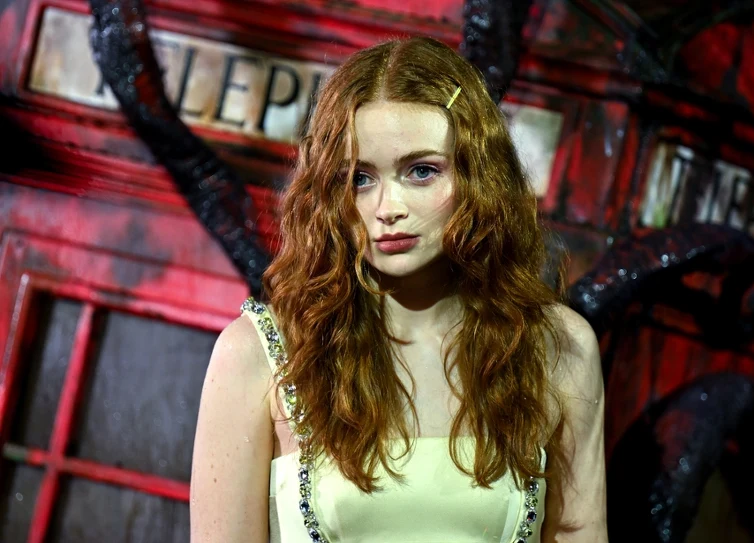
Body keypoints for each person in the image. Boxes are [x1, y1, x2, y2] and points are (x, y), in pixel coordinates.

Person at [190, 36, 607, 543]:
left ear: (480, 175)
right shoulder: (260, 352)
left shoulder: (556, 347)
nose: (388, 208)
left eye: (422, 171)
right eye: (359, 178)